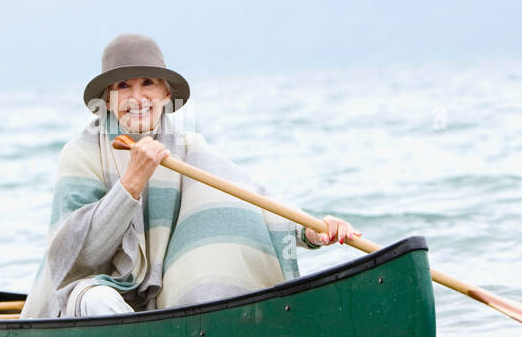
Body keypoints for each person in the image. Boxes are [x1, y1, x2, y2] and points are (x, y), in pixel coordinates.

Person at [21, 33, 356, 318]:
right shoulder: (80, 153)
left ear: (166, 94)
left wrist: (312, 231)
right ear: (107, 100)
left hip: (159, 291)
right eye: (123, 86)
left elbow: (249, 197)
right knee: (100, 301)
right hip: (88, 289)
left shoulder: (186, 148)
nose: (137, 98)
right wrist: (130, 185)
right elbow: (76, 257)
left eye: (148, 83)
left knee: (208, 278)